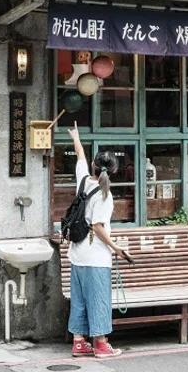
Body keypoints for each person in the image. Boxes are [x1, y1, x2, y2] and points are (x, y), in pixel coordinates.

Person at [66, 122, 132, 359]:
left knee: (81, 299)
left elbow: (80, 156)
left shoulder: (83, 181)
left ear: (94, 166)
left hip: (77, 253)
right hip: (96, 256)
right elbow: (97, 226)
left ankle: (79, 342)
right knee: (99, 299)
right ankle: (102, 344)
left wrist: (76, 136)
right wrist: (115, 248)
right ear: (114, 171)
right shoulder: (105, 195)